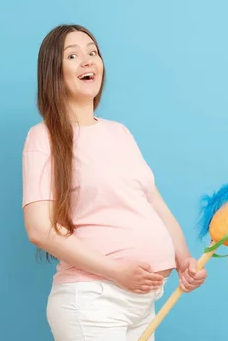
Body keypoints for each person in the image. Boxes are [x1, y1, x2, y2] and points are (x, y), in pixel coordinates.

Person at [21, 24, 207, 340]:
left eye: (93, 52)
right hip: (94, 300)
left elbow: (153, 202)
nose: (88, 60)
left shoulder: (119, 132)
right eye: (73, 55)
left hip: (142, 303)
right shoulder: (44, 138)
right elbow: (39, 229)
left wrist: (183, 259)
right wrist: (115, 271)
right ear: (54, 71)